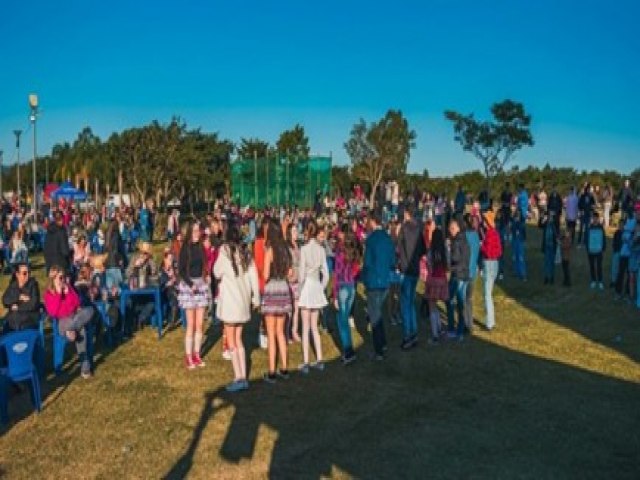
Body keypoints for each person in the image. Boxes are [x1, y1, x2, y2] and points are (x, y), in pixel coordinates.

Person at [214, 224, 260, 392]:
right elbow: (253, 275)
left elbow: (216, 272)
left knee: (231, 341)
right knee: (239, 340)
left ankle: (239, 377)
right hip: (243, 301)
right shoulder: (245, 252)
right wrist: (256, 298)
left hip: (230, 303)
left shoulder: (224, 251)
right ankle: (243, 377)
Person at [43, 265, 94, 379]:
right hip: (62, 321)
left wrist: (68, 293)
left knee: (89, 310)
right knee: (82, 331)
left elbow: (77, 303)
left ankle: (72, 330)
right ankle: (85, 369)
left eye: (64, 277)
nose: (63, 280)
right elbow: (53, 312)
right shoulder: (49, 294)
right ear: (54, 279)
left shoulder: (68, 288)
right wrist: (59, 294)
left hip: (74, 317)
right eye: (61, 278)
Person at [261, 219, 293, 383]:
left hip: (272, 288)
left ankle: (272, 371)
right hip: (283, 288)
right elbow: (290, 273)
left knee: (271, 333)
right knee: (281, 331)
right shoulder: (285, 249)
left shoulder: (270, 250)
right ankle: (285, 368)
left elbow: (265, 275)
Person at [361, 212, 396, 360]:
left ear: (373, 222)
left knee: (374, 314)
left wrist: (363, 277)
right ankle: (383, 342)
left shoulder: (371, 240)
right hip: (385, 280)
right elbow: (393, 260)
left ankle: (379, 349)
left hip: (374, 280)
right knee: (378, 312)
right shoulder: (388, 239)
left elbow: (367, 263)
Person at [178, 221, 211, 369]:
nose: (198, 233)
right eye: (195, 231)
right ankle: (188, 356)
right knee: (190, 324)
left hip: (201, 284)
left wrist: (207, 275)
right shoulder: (185, 249)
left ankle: (197, 354)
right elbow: (181, 270)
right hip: (189, 286)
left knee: (200, 324)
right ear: (190, 232)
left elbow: (205, 265)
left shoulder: (201, 248)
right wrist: (190, 285)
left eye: (199, 231)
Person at [297, 221, 330, 373]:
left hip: (307, 286)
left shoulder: (303, 249)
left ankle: (306, 362)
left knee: (305, 327)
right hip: (316, 285)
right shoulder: (321, 250)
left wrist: (299, 290)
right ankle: (320, 359)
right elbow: (327, 275)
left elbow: (302, 274)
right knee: (314, 327)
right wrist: (320, 288)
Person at [397, 205, 426, 349]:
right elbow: (422, 250)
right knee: (411, 303)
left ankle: (408, 335)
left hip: (406, 270)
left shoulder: (404, 228)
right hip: (415, 269)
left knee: (405, 304)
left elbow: (397, 246)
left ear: (406, 214)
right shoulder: (418, 229)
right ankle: (413, 333)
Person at [332, 232, 361, 363]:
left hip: (343, 287)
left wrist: (334, 295)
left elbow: (337, 275)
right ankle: (349, 349)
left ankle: (348, 350)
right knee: (345, 318)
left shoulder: (340, 254)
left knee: (342, 321)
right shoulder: (353, 254)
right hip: (351, 287)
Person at [125, 241, 159, 331]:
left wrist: (150, 267)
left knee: (152, 302)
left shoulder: (151, 261)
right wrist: (135, 266)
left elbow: (155, 276)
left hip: (146, 288)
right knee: (130, 302)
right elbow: (127, 273)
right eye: (143, 252)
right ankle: (132, 322)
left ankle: (141, 319)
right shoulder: (134, 258)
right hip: (135, 288)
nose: (144, 255)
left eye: (146, 253)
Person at [446, 218, 470, 340]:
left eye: (452, 228)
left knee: (451, 301)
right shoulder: (465, 239)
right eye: (450, 228)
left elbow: (455, 258)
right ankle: (461, 329)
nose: (451, 231)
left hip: (458, 274)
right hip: (465, 274)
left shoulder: (456, 242)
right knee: (461, 303)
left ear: (458, 228)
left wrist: (449, 250)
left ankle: (452, 328)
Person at [424, 228, 449, 343]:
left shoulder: (431, 252)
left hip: (433, 279)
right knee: (437, 305)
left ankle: (435, 333)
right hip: (442, 279)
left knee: (432, 306)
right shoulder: (445, 251)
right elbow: (447, 264)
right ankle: (439, 328)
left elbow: (429, 266)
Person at [2, 262, 41, 332]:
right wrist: (19, 297)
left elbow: (33, 304)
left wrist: (17, 307)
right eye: (24, 273)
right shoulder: (13, 285)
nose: (28, 275)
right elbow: (5, 300)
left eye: (29, 272)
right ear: (17, 274)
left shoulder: (33, 285)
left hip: (29, 319)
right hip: (12, 320)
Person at [479, 211, 502, 331]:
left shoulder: (489, 234)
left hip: (488, 262)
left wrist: (482, 246)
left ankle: (490, 322)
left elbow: (487, 251)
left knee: (487, 294)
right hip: (495, 262)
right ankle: (490, 320)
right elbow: (499, 250)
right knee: (489, 292)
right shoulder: (495, 233)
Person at [464, 214, 481, 332]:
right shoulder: (476, 236)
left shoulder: (465, 236)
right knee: (469, 299)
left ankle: (466, 323)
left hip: (465, 271)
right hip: (473, 270)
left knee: (464, 299)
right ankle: (469, 323)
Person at [585, 212, 606, 290]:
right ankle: (593, 280)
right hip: (591, 250)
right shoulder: (589, 227)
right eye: (593, 218)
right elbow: (586, 237)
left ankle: (600, 281)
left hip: (599, 250)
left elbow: (603, 238)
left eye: (596, 218)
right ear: (592, 219)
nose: (595, 219)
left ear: (598, 219)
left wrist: (603, 247)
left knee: (599, 266)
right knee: (592, 266)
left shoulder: (601, 228)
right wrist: (587, 247)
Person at [540, 211, 559, 285]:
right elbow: (540, 225)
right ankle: (546, 277)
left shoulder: (554, 225)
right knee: (546, 262)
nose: (550, 218)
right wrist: (542, 217)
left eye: (551, 216)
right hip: (547, 246)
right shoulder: (546, 224)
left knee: (551, 263)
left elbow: (557, 234)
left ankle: (551, 277)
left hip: (552, 246)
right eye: (549, 216)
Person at [511, 208, 527, 281]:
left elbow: (523, 231)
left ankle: (523, 274)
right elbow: (512, 229)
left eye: (519, 215)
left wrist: (518, 223)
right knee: (515, 256)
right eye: (516, 214)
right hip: (515, 240)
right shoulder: (513, 222)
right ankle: (516, 272)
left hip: (520, 240)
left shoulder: (522, 223)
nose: (517, 216)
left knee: (521, 257)